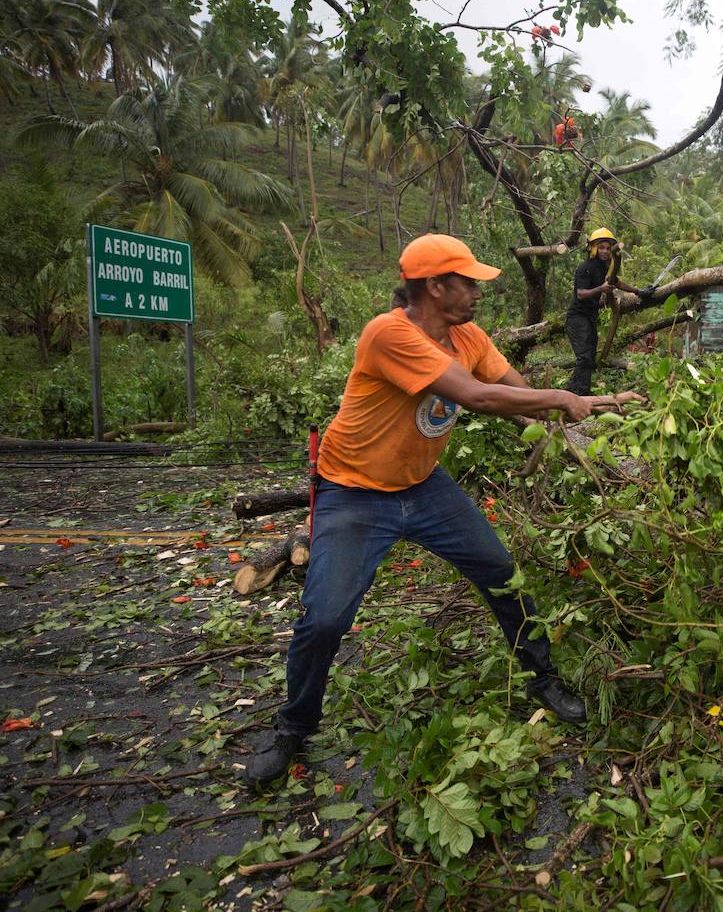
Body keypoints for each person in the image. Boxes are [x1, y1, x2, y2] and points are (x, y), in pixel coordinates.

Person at [244, 233, 641, 789]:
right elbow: (477, 397)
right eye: (468, 281)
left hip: (423, 485)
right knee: (327, 617)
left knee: (503, 575)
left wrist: (588, 417)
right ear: (435, 286)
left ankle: (541, 677)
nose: (478, 291)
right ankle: (294, 727)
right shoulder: (389, 334)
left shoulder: (469, 336)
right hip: (355, 492)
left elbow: (514, 392)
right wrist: (562, 397)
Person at [565, 227, 656, 396]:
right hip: (577, 318)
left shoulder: (604, 267)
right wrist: (601, 288)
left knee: (589, 358)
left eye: (608, 248)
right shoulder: (584, 268)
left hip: (591, 317)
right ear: (593, 248)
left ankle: (578, 393)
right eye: (601, 247)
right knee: (584, 357)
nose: (605, 251)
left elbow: (616, 282)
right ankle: (577, 395)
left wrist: (639, 291)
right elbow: (581, 294)